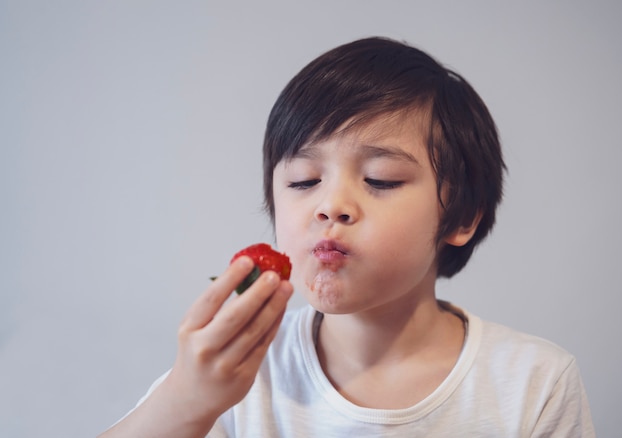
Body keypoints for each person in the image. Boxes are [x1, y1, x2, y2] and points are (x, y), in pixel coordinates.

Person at [100, 36, 595, 437]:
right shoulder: (244, 371)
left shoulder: (534, 383)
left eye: (380, 179)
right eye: (303, 181)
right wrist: (187, 399)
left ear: (461, 217)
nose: (330, 205)